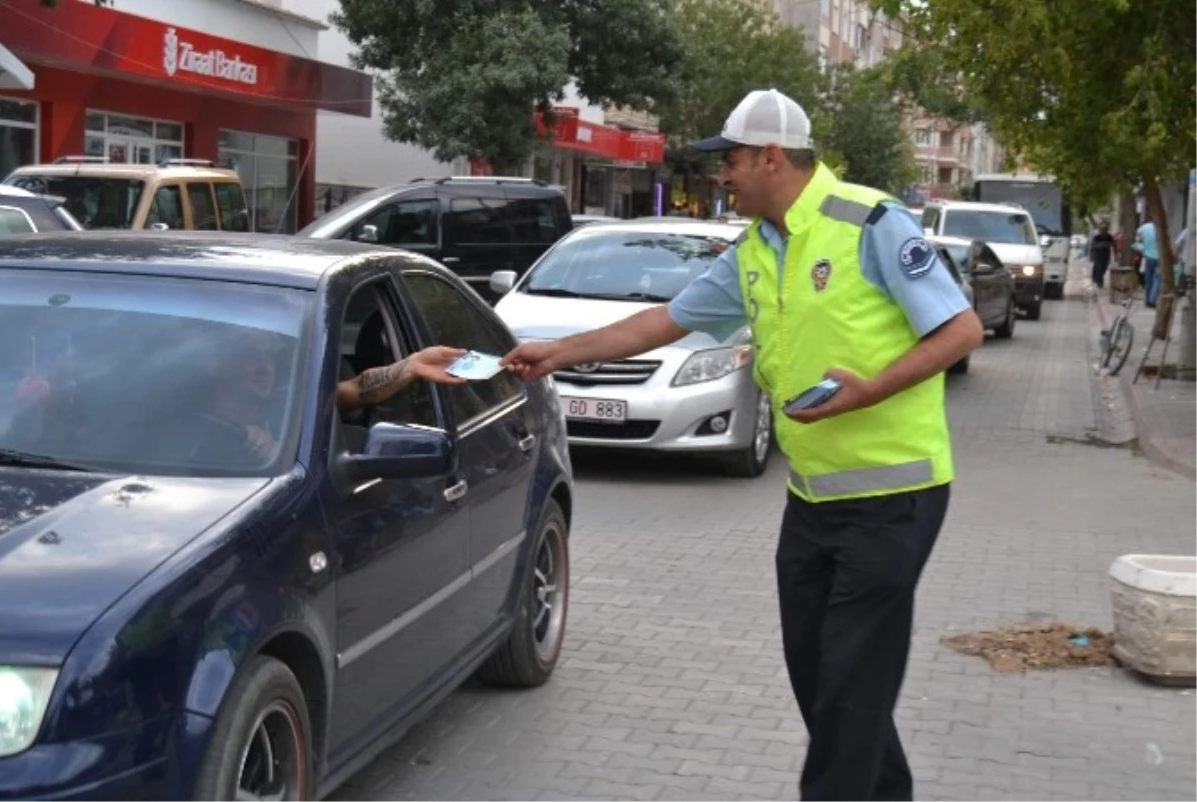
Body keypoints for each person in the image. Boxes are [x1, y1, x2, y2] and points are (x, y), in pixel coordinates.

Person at [502, 88, 983, 802]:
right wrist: (557, 353)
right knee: (821, 680)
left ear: (770, 157)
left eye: (728, 161)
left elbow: (961, 331)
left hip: (895, 495)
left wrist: (869, 390)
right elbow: (665, 322)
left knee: (850, 691)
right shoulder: (756, 248)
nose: (719, 176)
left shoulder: (871, 222)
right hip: (813, 497)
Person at [207, 329, 465, 462]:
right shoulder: (186, 422)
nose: (265, 367)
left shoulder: (290, 404)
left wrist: (410, 366)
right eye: (251, 356)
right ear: (218, 365)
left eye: (269, 356)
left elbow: (358, 390)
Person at [1134, 212, 1160, 307]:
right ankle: (1152, 300)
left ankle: (1148, 299)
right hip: (1159, 257)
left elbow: (1137, 241)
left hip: (1148, 256)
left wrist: (1142, 248)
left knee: (1148, 279)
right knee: (1157, 278)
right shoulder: (1162, 228)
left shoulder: (1144, 228)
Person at [1087, 220, 1117, 289]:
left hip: (1106, 254)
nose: (1104, 231)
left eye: (1105, 229)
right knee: (1099, 267)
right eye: (1103, 229)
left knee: (1104, 268)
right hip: (1098, 254)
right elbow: (1093, 246)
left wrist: (1115, 255)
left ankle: (1097, 279)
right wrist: (1092, 256)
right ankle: (1099, 282)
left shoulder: (1110, 237)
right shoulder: (1097, 237)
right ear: (1100, 230)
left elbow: (1114, 246)